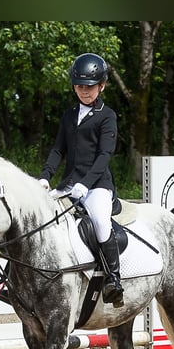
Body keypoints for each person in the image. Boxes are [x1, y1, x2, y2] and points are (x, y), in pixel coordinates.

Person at [38, 52, 123, 307]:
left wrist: (86, 184)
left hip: (97, 186)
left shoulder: (107, 116)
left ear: (102, 85)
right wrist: (45, 177)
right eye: (79, 86)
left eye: (89, 87)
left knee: (99, 222)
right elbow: (57, 150)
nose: (84, 91)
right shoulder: (68, 115)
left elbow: (104, 155)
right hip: (68, 185)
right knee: (38, 218)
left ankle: (113, 279)